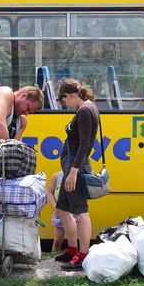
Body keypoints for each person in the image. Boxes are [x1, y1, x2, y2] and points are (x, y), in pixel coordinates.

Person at [53, 78, 99, 271]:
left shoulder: (85, 111)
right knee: (62, 207)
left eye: (65, 101)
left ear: (69, 95)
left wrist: (73, 171)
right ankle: (72, 249)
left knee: (80, 211)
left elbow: (85, 144)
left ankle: (83, 255)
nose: (66, 105)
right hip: (70, 167)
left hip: (75, 168)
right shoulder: (85, 109)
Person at [46, 170, 79, 251]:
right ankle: (54, 257)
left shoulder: (78, 175)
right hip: (59, 212)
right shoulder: (56, 176)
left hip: (74, 212)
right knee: (57, 240)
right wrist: (55, 206)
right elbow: (49, 193)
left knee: (72, 241)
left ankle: (73, 256)